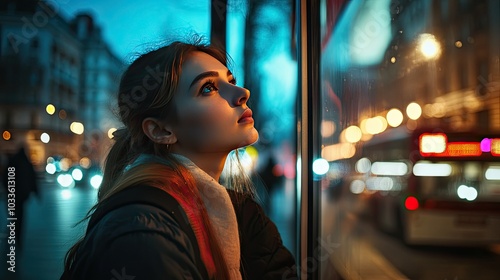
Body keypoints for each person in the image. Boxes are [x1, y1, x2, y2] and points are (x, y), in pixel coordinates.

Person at [61, 37, 297, 280]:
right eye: (208, 88)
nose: (242, 92)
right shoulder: (143, 233)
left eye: (231, 80)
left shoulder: (241, 216)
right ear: (161, 131)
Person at [3, 145, 39, 250]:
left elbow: (6, 178)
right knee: (20, 216)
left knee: (13, 215)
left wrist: (8, 191)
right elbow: (32, 178)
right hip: (22, 195)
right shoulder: (26, 163)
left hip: (12, 195)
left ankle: (12, 234)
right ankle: (17, 237)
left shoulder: (13, 162)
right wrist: (36, 193)